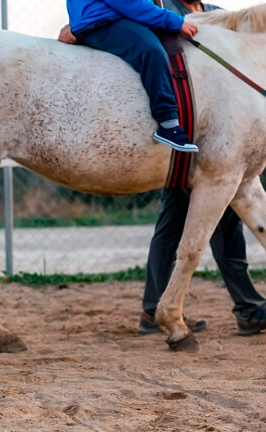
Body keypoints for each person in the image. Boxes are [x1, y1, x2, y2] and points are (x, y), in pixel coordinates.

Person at [139, 0, 266, 337]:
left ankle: (245, 307)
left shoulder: (213, 10)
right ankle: (158, 309)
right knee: (180, 225)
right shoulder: (167, 8)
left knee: (216, 226)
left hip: (213, 140)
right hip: (184, 140)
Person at [65, 0, 199, 152]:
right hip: (102, 21)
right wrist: (173, 20)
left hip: (110, 16)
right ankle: (168, 124)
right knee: (152, 51)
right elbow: (128, 3)